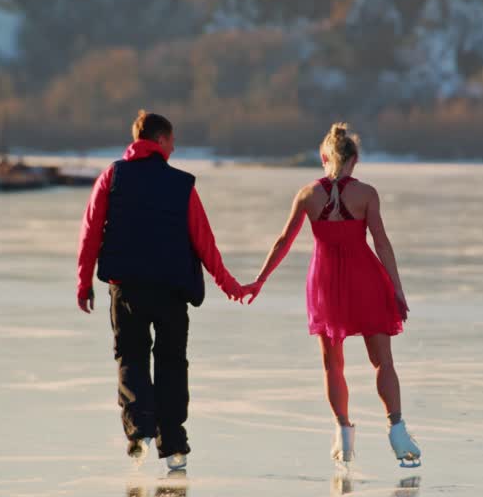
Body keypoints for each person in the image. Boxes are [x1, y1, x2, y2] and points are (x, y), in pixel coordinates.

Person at [242, 123, 421, 468]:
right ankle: (397, 431)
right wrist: (397, 289)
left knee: (332, 363)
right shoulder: (366, 194)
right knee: (382, 360)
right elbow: (381, 243)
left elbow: (283, 241)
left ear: (324, 157)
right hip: (366, 279)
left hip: (325, 284)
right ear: (354, 160)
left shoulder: (308, 195)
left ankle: (343, 434)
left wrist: (259, 280)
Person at [77, 110, 245, 472]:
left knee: (131, 357)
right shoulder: (181, 184)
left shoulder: (113, 176)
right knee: (171, 363)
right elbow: (204, 241)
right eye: (172, 141)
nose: (174, 147)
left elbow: (91, 229)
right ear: (161, 141)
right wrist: (228, 284)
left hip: (127, 289)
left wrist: (83, 281)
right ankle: (174, 445)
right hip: (171, 291)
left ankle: (138, 431)